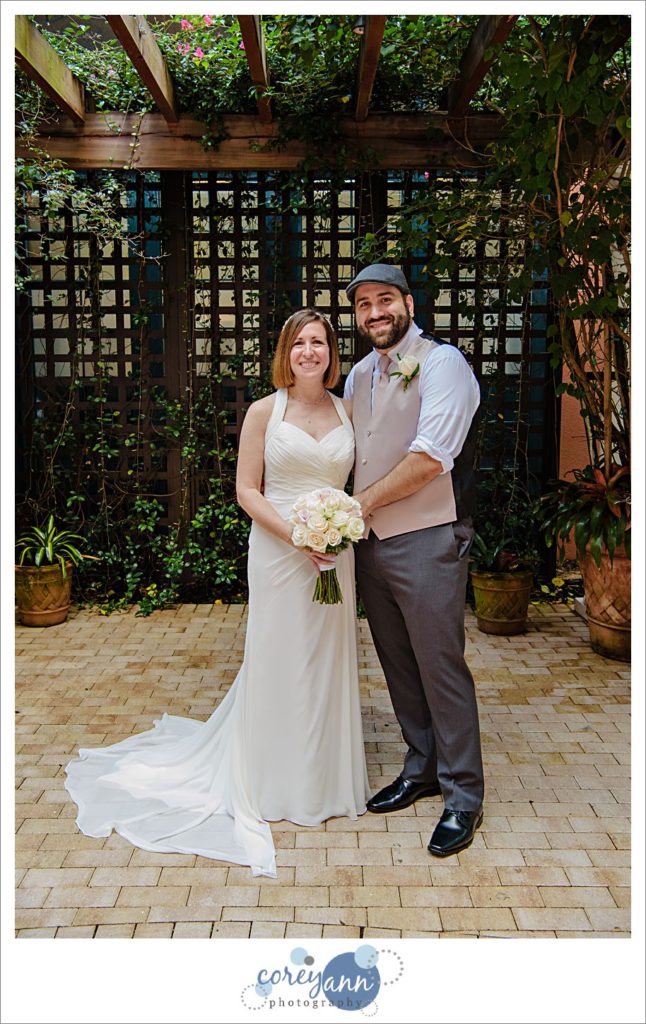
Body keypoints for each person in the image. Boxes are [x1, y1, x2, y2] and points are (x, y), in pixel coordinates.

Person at [64, 309, 370, 878]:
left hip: (335, 554)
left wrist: (340, 527)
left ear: (332, 352)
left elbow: (360, 483)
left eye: (320, 342)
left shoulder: (349, 411)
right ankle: (273, 778)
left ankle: (323, 776)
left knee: (327, 659)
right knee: (279, 657)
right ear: (286, 351)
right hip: (282, 551)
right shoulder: (264, 411)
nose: (310, 351)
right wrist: (299, 536)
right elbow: (246, 491)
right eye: (300, 342)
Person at [344, 263, 484, 857]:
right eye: (362, 305)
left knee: (439, 665)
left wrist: (358, 505)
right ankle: (422, 767)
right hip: (371, 547)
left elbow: (431, 457)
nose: (375, 313)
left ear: (406, 301)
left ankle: (463, 795)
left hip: (428, 538)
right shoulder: (356, 374)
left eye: (384, 300)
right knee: (398, 665)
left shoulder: (444, 364)